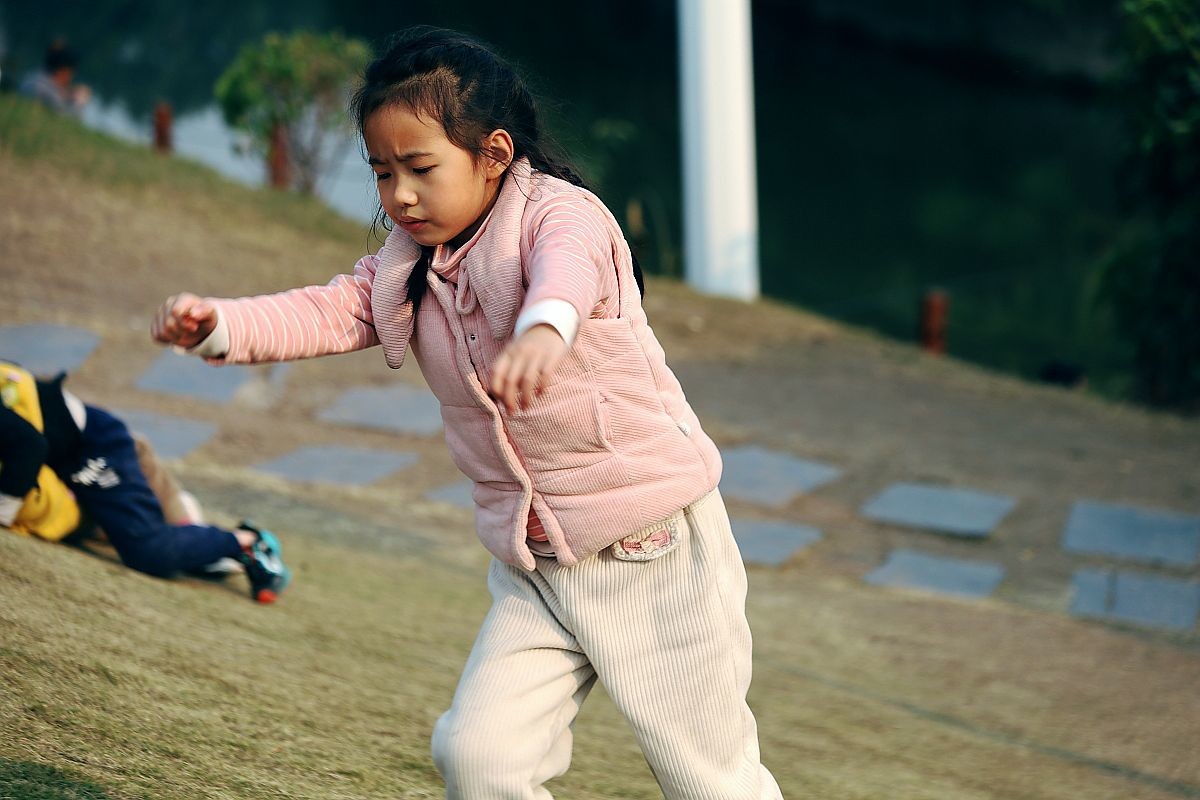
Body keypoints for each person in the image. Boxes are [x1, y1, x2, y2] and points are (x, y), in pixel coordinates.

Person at [152, 26, 781, 799]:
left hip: (651, 545)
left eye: (420, 168)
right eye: (381, 173)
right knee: (478, 759)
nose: (399, 196)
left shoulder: (560, 215)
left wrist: (544, 332)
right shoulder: (408, 267)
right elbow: (329, 311)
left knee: (708, 780)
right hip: (537, 565)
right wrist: (217, 325)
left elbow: (566, 274)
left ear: (494, 154)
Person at [0, 361, 290, 603]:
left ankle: (248, 542)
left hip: (92, 446)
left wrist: (3, 515)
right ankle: (188, 528)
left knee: (149, 550)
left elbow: (29, 445)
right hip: (75, 450)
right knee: (100, 531)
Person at [18, 41, 91, 116]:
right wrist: (78, 102)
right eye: (70, 72)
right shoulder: (46, 92)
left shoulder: (33, 76)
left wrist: (67, 96)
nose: (71, 77)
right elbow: (65, 119)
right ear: (63, 71)